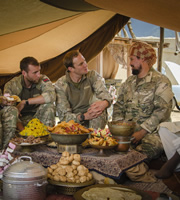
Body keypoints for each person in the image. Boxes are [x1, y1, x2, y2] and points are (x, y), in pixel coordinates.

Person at [112, 41, 174, 161]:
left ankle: (129, 164)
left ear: (143, 59)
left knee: (151, 147)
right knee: (106, 144)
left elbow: (162, 111)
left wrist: (142, 132)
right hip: (128, 132)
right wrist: (120, 129)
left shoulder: (161, 81)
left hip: (152, 133)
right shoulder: (128, 82)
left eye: (132, 59)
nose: (130, 63)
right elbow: (118, 106)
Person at [55, 50, 112, 129]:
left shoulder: (92, 75)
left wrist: (104, 103)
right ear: (71, 68)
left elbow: (106, 95)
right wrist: (84, 116)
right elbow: (64, 116)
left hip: (92, 115)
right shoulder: (60, 85)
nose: (85, 65)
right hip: (75, 120)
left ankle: (95, 139)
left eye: (84, 61)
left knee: (98, 111)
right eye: (81, 64)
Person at [3, 56, 56, 131]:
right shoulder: (11, 85)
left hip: (38, 117)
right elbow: (8, 110)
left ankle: (45, 137)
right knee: (10, 110)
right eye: (35, 72)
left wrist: (25, 102)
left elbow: (51, 96)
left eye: (39, 71)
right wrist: (24, 132)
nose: (38, 75)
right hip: (20, 121)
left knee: (49, 106)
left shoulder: (43, 79)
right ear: (24, 73)